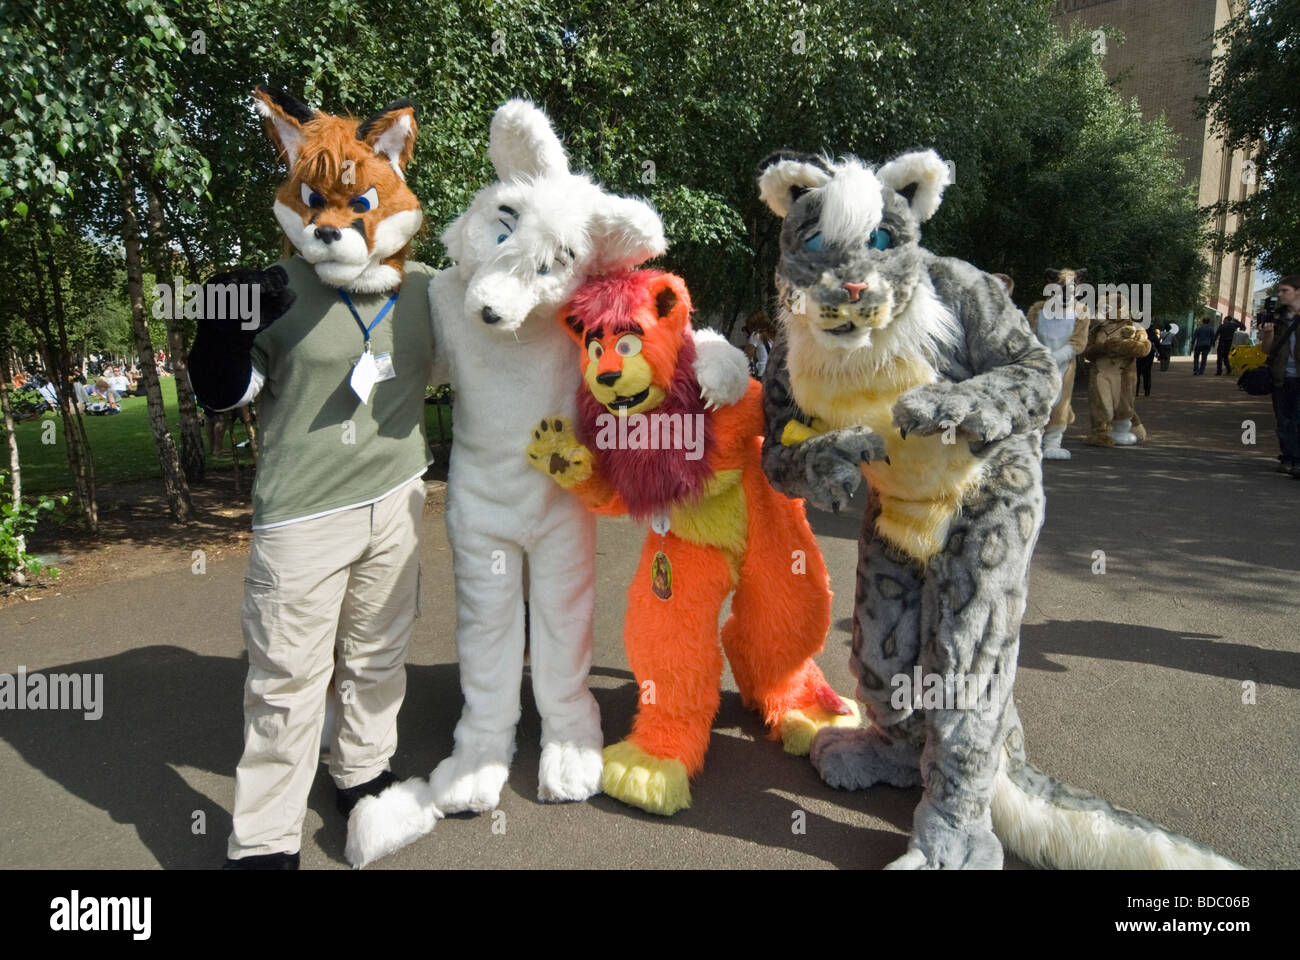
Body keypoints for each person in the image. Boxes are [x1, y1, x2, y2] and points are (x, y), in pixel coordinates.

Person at [1260, 275, 1300, 478]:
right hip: (1281, 377)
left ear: (1298, 291)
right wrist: (1268, 334)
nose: (1280, 294)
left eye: (1285, 290)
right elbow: (1267, 350)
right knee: (1284, 420)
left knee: (1298, 419)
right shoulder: (1278, 317)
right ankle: (1287, 458)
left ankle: (1297, 461)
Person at [743, 311, 774, 379]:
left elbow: (745, 357)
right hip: (775, 374)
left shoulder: (756, 336)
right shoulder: (772, 336)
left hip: (764, 374)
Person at [1135, 324, 1156, 397]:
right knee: (1147, 373)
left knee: (1137, 372)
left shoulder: (1137, 331)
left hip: (1139, 353)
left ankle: (1136, 391)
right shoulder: (1151, 332)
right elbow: (1157, 342)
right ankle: (1147, 391)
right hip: (1149, 354)